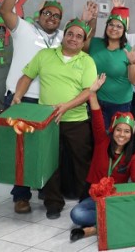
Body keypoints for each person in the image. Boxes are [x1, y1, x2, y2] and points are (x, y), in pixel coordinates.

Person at [13, 18, 98, 219]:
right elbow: (27, 77)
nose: (73, 39)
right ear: (64, 35)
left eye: (79, 36)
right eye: (70, 34)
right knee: (49, 163)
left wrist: (66, 107)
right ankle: (53, 203)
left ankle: (86, 200)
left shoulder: (87, 61)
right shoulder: (44, 55)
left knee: (81, 163)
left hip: (76, 121)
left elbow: (88, 92)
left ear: (84, 41)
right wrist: (18, 95)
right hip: (48, 121)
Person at [0, 0, 67, 214]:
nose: (51, 18)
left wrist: (90, 20)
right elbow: (5, 11)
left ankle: (47, 193)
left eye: (56, 16)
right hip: (19, 98)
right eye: (47, 13)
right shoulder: (24, 28)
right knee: (20, 149)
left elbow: (84, 43)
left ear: (60, 20)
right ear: (39, 15)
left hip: (47, 102)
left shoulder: (62, 37)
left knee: (47, 149)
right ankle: (21, 195)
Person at [69, 74, 135, 241]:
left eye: (127, 131)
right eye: (119, 130)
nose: (122, 135)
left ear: (132, 134)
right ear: (113, 130)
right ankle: (115, 220)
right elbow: (97, 113)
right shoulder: (102, 140)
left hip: (115, 196)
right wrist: (92, 93)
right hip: (94, 193)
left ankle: (94, 229)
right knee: (77, 213)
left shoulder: (133, 155)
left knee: (125, 207)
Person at [85, 6, 135, 129]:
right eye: (111, 25)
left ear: (124, 30)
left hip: (119, 104)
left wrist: (132, 63)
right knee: (96, 136)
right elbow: (79, 42)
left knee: (114, 139)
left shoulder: (130, 52)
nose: (114, 28)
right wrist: (90, 18)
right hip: (95, 99)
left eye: (119, 26)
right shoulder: (94, 43)